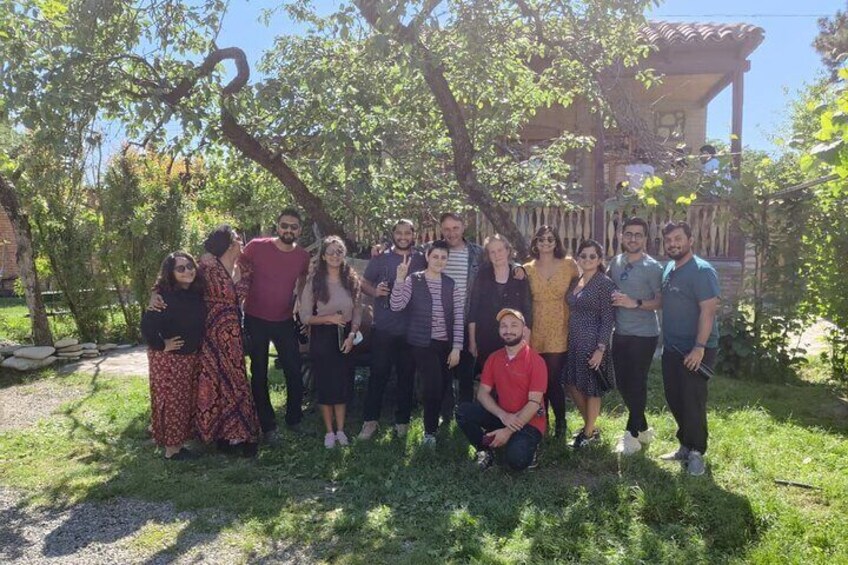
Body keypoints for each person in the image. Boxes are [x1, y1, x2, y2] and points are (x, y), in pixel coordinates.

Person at [239, 208, 310, 444]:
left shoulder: (302, 256)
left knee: (294, 369)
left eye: (293, 226)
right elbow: (234, 262)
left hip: (284, 319)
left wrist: (298, 301)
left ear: (300, 230)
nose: (288, 230)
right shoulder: (256, 247)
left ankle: (294, 419)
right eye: (284, 225)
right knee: (259, 372)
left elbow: (303, 279)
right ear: (277, 226)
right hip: (255, 318)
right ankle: (267, 426)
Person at [659, 221, 720, 476]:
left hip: (696, 348)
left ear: (690, 239)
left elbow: (708, 310)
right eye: (669, 240)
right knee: (675, 397)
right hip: (672, 348)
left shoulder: (702, 271)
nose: (673, 243)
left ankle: (696, 453)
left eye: (678, 238)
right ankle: (685, 444)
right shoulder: (670, 268)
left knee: (693, 400)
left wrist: (699, 347)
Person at [358, 219, 427, 440]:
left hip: (411, 330)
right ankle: (370, 422)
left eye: (408, 232)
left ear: (414, 235)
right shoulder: (381, 257)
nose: (403, 236)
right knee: (378, 375)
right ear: (393, 234)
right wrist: (374, 291)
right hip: (384, 328)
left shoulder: (421, 258)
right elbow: (363, 282)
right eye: (399, 233)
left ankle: (402, 422)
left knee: (406, 377)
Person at [195, 226, 261, 457]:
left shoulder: (244, 267)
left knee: (237, 380)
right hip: (212, 333)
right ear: (229, 243)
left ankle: (240, 432)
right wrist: (155, 293)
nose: (241, 242)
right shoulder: (206, 267)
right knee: (216, 382)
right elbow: (174, 277)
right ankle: (222, 435)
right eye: (237, 239)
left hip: (234, 334)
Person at [390, 240, 463, 446]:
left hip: (446, 344)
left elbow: (458, 318)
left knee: (443, 386)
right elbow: (396, 305)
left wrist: (457, 348)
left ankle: (442, 421)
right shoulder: (415, 280)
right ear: (427, 257)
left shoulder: (451, 284)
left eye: (443, 257)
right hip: (422, 343)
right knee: (433, 385)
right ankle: (429, 433)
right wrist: (399, 279)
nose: (439, 261)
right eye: (435, 256)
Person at [456, 309, 547, 471]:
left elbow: (534, 404)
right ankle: (485, 451)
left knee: (516, 461)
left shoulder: (536, 361)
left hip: (529, 422)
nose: (508, 330)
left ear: (524, 330)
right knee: (463, 411)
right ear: (499, 330)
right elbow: (482, 393)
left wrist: (507, 431)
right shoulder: (494, 358)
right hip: (503, 416)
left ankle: (530, 448)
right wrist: (503, 416)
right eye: (503, 326)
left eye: (514, 325)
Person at [141, 252, 206, 460]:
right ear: (171, 273)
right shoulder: (164, 297)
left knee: (184, 402)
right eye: (180, 268)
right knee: (171, 403)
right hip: (169, 359)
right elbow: (148, 325)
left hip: (188, 357)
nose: (187, 271)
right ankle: (171, 450)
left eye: (189, 266)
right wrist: (162, 344)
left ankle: (178, 444)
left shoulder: (194, 292)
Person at [299, 236, 362, 449]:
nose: (335, 256)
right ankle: (329, 432)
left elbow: (357, 311)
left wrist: (353, 334)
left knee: (343, 383)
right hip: (322, 336)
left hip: (346, 336)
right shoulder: (314, 282)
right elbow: (305, 317)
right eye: (331, 252)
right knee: (326, 384)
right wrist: (328, 318)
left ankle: (341, 430)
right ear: (324, 256)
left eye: (339, 251)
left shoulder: (351, 280)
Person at [609, 218, 663, 455]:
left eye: (638, 235)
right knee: (622, 382)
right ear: (621, 236)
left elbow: (661, 301)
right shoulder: (616, 261)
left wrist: (635, 303)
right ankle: (642, 427)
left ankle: (630, 435)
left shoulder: (653, 267)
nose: (633, 238)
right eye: (629, 234)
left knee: (637, 382)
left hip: (644, 334)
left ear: (645, 238)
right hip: (620, 332)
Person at [523, 226, 579, 438]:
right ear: (535, 243)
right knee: (539, 380)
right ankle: (541, 422)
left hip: (559, 327)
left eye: (550, 239)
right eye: (541, 239)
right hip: (536, 329)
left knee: (553, 379)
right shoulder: (527, 268)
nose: (545, 243)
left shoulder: (568, 264)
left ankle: (561, 423)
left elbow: (585, 281)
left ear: (556, 242)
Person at [564, 239, 616, 448]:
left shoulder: (604, 283)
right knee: (571, 383)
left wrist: (601, 349)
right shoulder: (576, 281)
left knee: (592, 387)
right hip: (574, 341)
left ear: (599, 259)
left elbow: (608, 318)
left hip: (593, 342)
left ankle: (587, 434)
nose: (587, 259)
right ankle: (591, 427)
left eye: (592, 256)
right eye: (583, 256)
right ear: (577, 258)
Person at [435, 213, 485, 409]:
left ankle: (465, 412)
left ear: (463, 228)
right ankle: (445, 412)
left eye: (455, 228)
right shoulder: (434, 250)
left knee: (466, 370)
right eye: (447, 229)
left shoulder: (477, 253)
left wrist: (517, 268)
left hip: (467, 321)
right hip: (441, 322)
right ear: (441, 230)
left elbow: (501, 261)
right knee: (442, 370)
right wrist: (381, 249)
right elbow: (408, 251)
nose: (451, 233)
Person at [468, 234, 532, 368]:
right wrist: (472, 341)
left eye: (500, 250)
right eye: (492, 252)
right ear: (488, 255)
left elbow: (527, 311)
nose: (497, 255)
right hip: (486, 339)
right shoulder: (482, 275)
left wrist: (526, 341)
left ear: (508, 251)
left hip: (513, 339)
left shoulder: (519, 276)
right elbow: (473, 309)